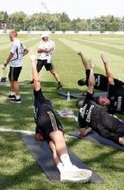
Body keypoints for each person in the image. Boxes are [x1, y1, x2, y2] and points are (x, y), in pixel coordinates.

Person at [28, 54, 92, 182]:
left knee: (53, 146)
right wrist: (33, 63)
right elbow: (36, 81)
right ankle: (69, 166)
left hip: (40, 125)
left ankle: (63, 172)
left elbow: (38, 137)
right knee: (58, 136)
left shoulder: (38, 105)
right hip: (46, 119)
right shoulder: (40, 99)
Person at [2, 30, 29, 103]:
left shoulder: (15, 43)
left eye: (9, 36)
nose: (9, 38)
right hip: (17, 64)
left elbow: (11, 54)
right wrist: (20, 56)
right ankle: (13, 94)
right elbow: (26, 51)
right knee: (10, 78)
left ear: (11, 36)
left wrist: (6, 63)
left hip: (15, 65)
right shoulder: (20, 42)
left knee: (14, 81)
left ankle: (18, 98)